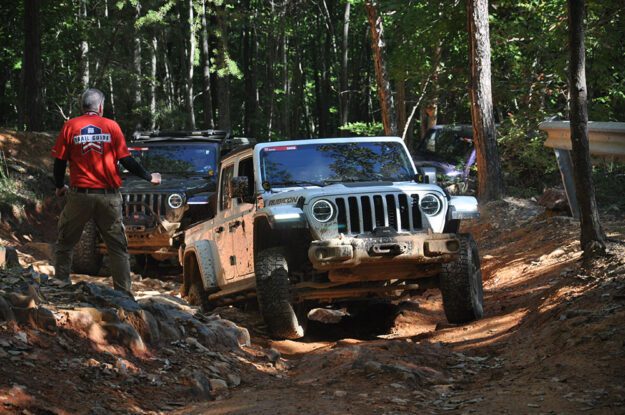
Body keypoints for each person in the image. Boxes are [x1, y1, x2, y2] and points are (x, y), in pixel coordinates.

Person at [51, 88, 161, 296]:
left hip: (79, 196)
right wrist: (149, 177)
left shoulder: (70, 126)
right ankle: (124, 296)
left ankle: (61, 288)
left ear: (81, 106)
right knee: (117, 248)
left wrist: (59, 186)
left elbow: (59, 162)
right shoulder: (111, 126)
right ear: (100, 107)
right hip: (108, 197)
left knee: (65, 243)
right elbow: (126, 160)